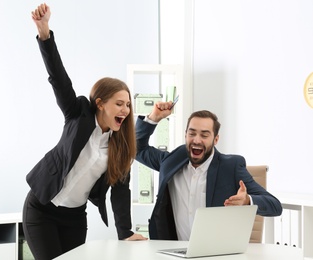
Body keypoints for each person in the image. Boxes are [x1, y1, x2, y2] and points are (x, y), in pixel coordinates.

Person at [23, 3, 146, 259]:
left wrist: (125, 232)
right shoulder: (78, 113)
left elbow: (121, 191)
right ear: (100, 104)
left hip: (74, 217)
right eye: (119, 104)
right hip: (42, 208)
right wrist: (44, 33)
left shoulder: (121, 146)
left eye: (128, 105)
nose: (125, 110)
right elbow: (59, 78)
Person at [135, 105, 283, 240]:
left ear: (216, 139)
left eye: (204, 135)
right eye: (192, 133)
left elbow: (275, 206)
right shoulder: (171, 161)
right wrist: (153, 119)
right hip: (173, 251)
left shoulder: (231, 167)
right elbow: (136, 149)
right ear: (185, 134)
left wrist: (247, 201)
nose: (197, 140)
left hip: (215, 253)